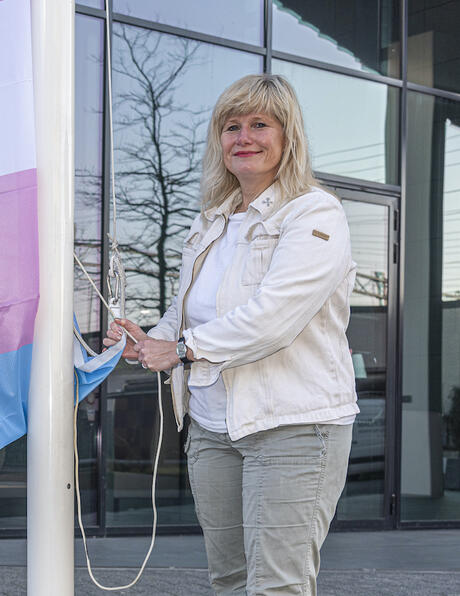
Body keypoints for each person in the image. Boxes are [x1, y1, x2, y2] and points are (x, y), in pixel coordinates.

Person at [103, 74, 357, 595]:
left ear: (288, 137)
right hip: (213, 429)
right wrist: (147, 339)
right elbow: (184, 312)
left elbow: (275, 317)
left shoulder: (313, 212)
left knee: (276, 586)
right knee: (230, 581)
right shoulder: (211, 222)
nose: (244, 136)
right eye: (231, 126)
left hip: (293, 426)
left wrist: (177, 350)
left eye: (260, 124)